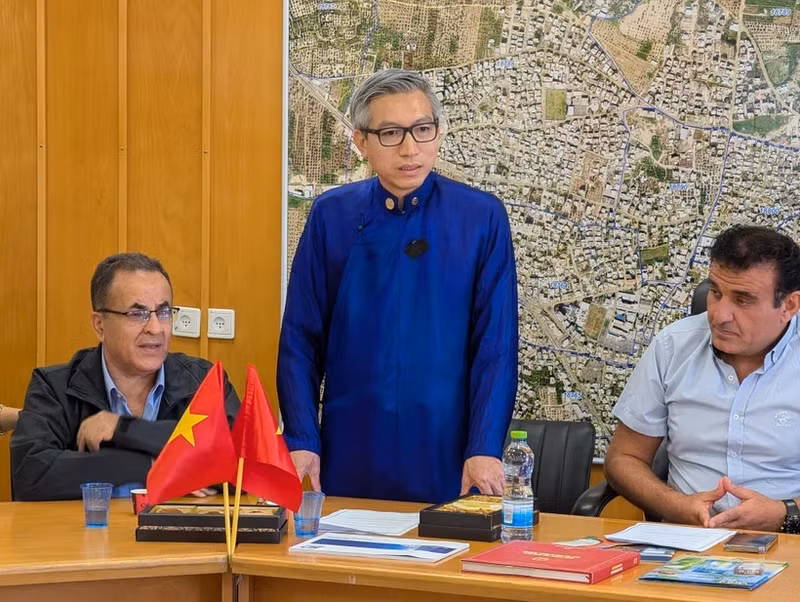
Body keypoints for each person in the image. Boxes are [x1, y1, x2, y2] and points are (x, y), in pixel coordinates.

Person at [277, 68, 518, 504]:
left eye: (422, 129)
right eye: (390, 133)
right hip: (349, 449)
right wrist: (300, 438)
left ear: (439, 133)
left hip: (448, 454)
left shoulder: (481, 217)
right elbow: (300, 339)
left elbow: (495, 348)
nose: (410, 148)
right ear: (361, 142)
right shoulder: (331, 216)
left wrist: (484, 447)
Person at [605, 224, 800, 533]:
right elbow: (623, 458)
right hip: (688, 541)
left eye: (743, 300)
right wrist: (677, 506)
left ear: (788, 306)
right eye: (716, 292)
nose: (720, 315)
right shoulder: (673, 346)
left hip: (790, 542)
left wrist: (784, 512)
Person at [11, 253, 240, 501]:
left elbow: (242, 458)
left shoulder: (202, 381)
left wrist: (124, 429)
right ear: (100, 325)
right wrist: (150, 464)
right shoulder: (54, 387)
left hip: (177, 538)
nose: (155, 328)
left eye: (163, 312)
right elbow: (30, 475)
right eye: (137, 314)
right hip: (88, 536)